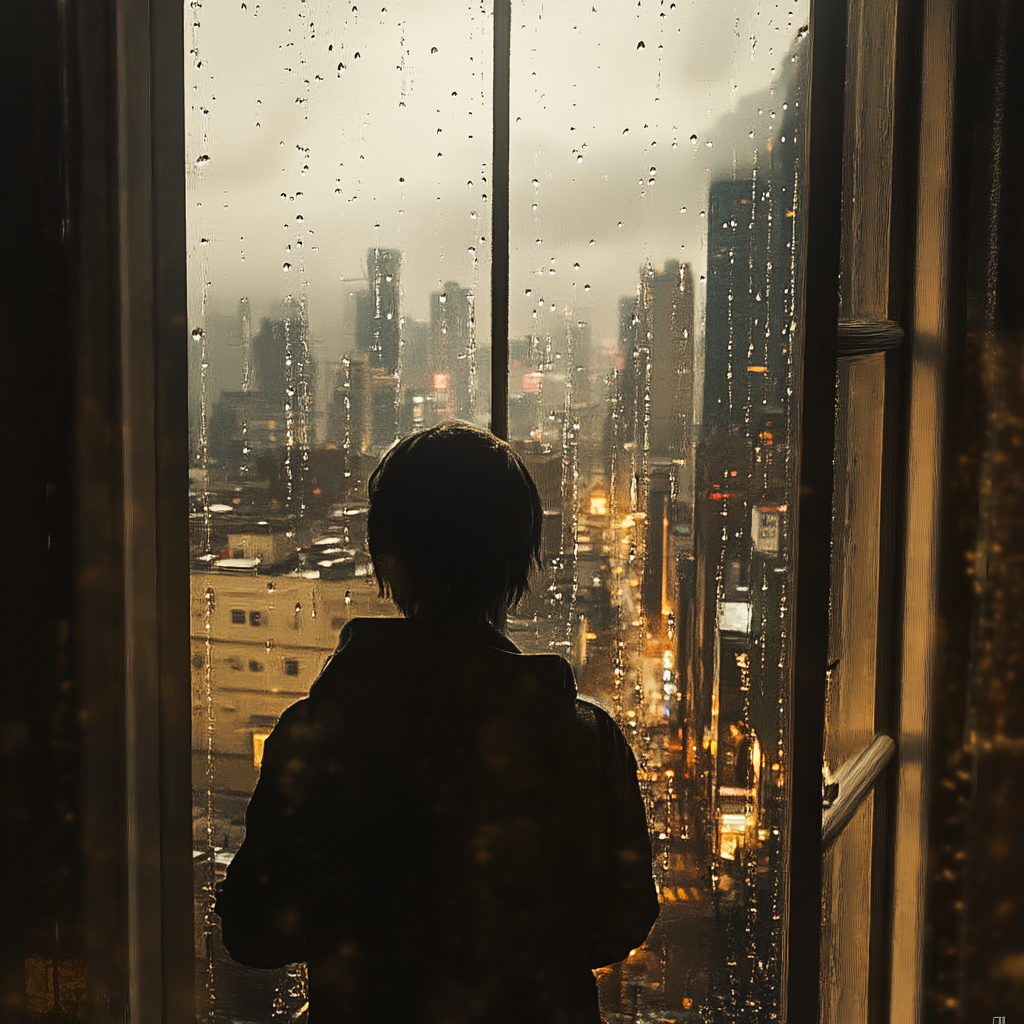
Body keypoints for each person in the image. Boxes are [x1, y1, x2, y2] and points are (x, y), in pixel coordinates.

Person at [215, 423, 659, 1023]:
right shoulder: (585, 741)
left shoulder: (315, 737)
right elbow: (620, 922)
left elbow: (255, 931)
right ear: (520, 559)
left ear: (385, 559)